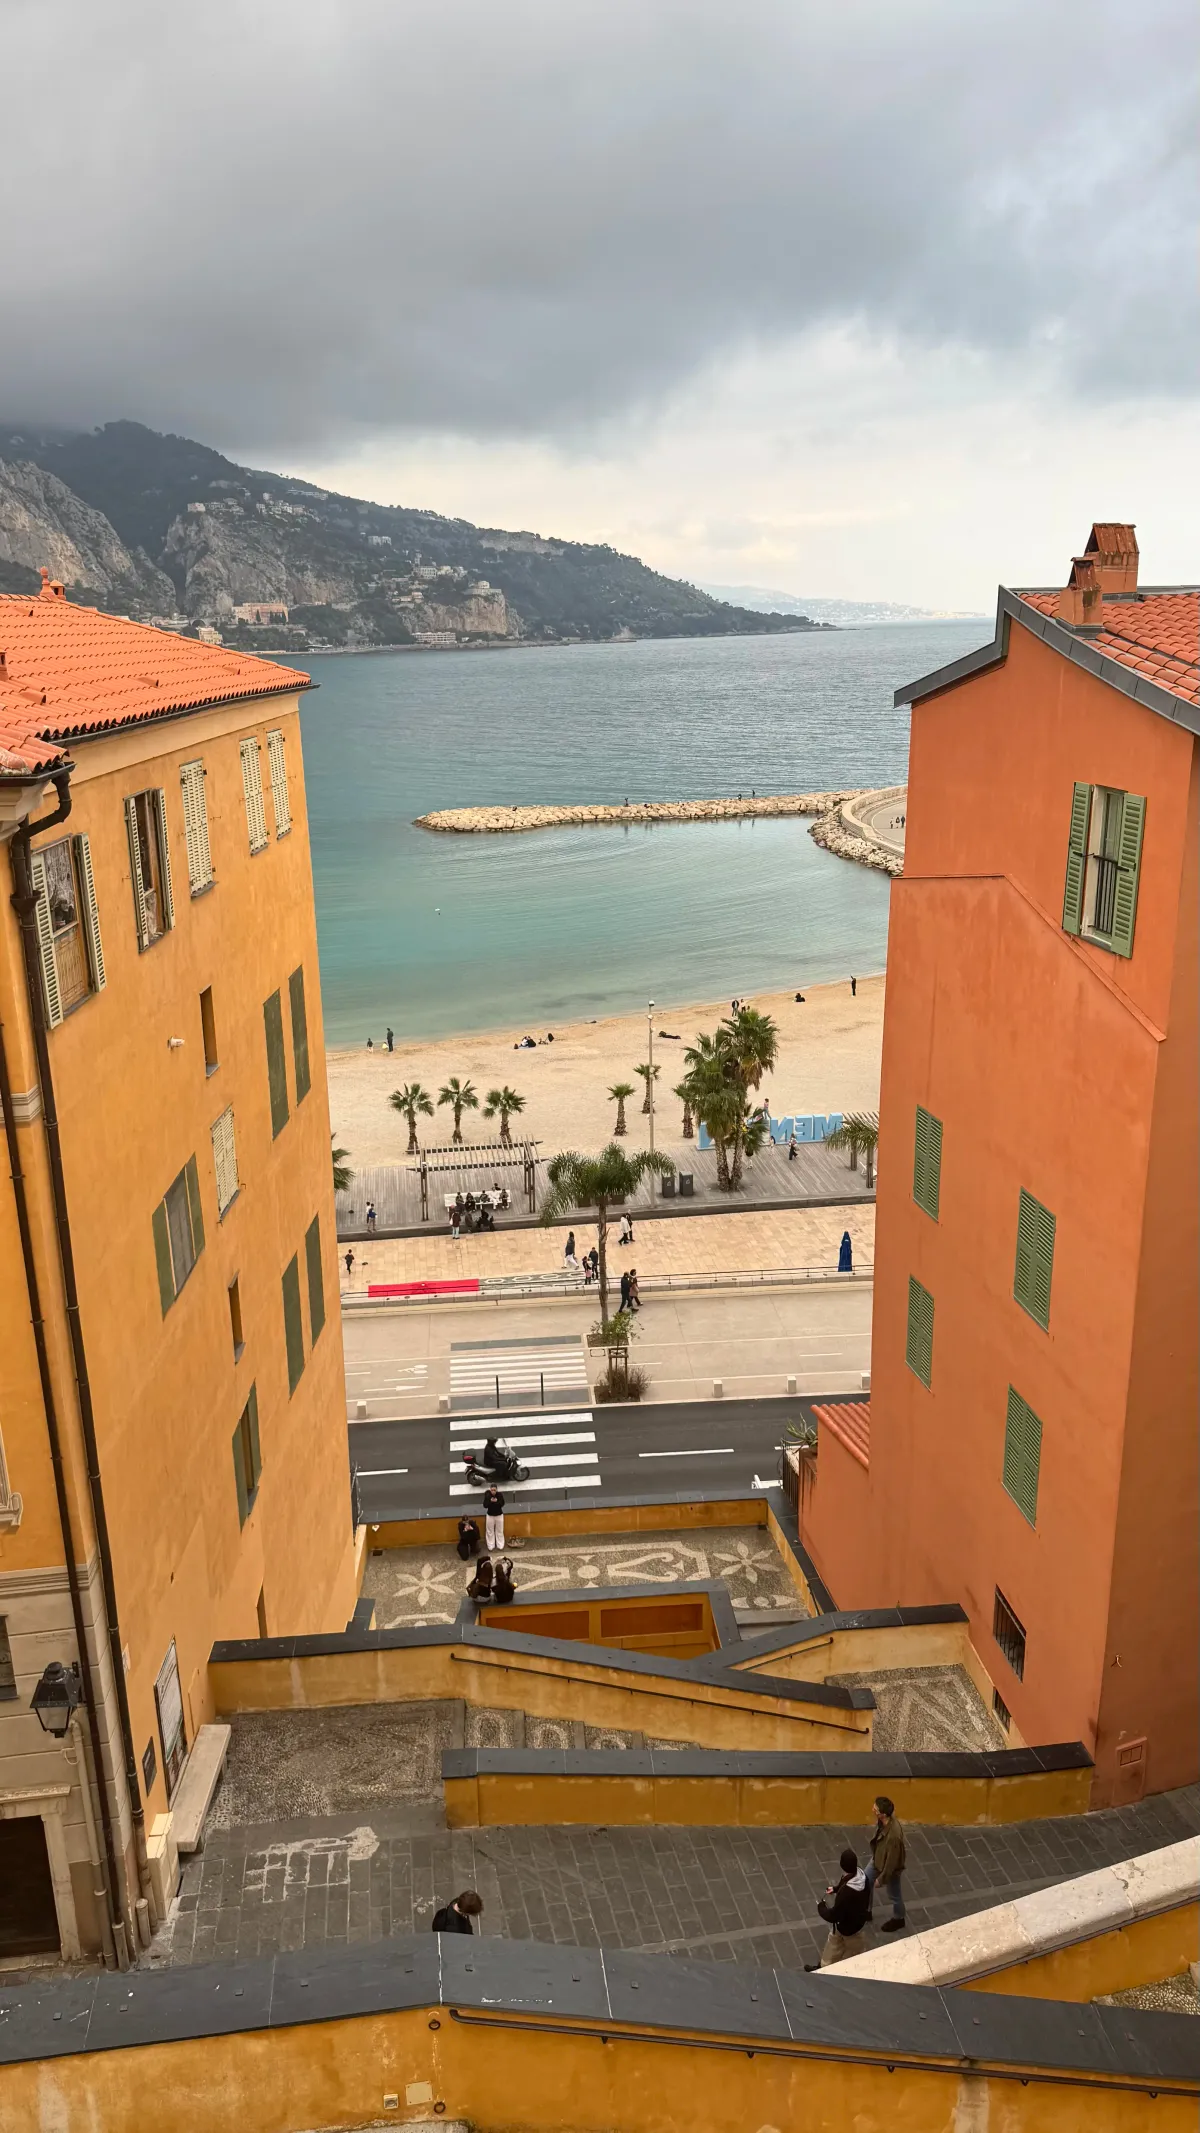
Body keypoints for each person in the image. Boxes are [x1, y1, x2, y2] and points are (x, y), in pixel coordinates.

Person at [804, 1849, 872, 1970]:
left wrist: (821, 1907)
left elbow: (833, 1916)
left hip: (850, 1930)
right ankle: (822, 1968)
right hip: (853, 1924)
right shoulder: (861, 1876)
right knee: (831, 1948)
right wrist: (835, 1889)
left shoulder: (846, 1893)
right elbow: (846, 1883)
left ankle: (827, 1970)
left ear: (842, 1865)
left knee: (854, 1957)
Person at [866, 1796, 907, 1932]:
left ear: (883, 1814)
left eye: (875, 1809)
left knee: (895, 1895)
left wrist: (881, 1879)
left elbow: (891, 1862)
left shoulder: (894, 1836)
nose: (873, 1810)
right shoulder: (884, 1821)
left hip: (889, 1868)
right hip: (878, 1858)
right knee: (866, 1881)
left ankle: (899, 1919)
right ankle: (867, 1911)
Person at [482, 1482, 505, 1553]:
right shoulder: (487, 1495)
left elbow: (502, 1503)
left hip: (499, 1515)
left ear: (497, 1490)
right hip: (490, 1516)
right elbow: (485, 1505)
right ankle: (490, 1545)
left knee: (499, 1530)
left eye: (494, 1490)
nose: (493, 1492)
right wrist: (490, 1501)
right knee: (489, 1531)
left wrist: (496, 1501)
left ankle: (500, 1544)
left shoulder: (500, 1495)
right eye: (492, 1490)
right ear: (490, 1490)